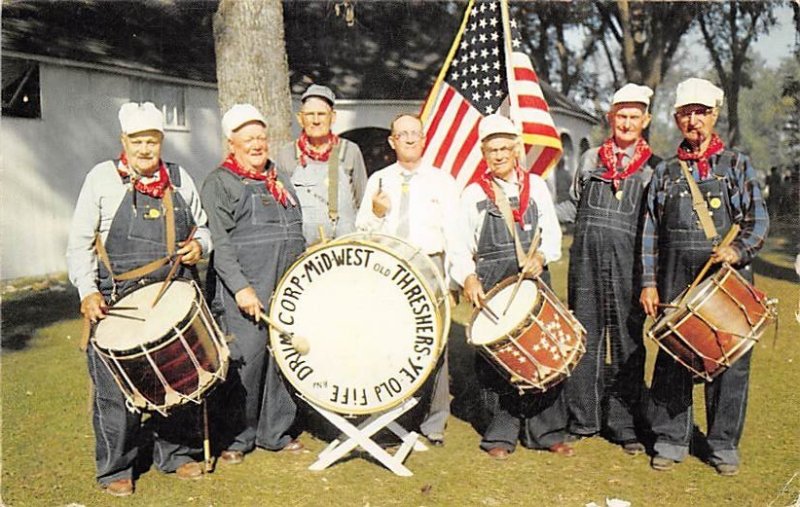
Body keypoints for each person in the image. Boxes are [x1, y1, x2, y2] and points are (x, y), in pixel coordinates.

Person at [66, 102, 212, 496]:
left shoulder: (180, 178)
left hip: (170, 290)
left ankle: (177, 454)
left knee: (178, 377)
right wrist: (88, 291)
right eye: (137, 141)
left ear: (161, 141)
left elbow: (204, 228)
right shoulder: (101, 178)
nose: (145, 149)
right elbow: (79, 244)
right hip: (119, 297)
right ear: (123, 141)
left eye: (152, 141)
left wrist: (199, 245)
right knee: (114, 392)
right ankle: (116, 467)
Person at [640, 78, 769, 476]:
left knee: (729, 358)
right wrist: (648, 281)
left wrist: (737, 250)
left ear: (714, 115)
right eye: (685, 113)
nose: (693, 120)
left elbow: (758, 221)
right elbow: (649, 232)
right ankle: (670, 438)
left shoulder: (737, 165)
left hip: (726, 280)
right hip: (676, 276)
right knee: (675, 357)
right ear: (676, 118)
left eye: (701, 112)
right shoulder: (663, 173)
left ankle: (722, 444)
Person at [448, 114, 573, 460]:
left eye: (505, 148)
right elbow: (458, 244)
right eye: (492, 150)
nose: (500, 155)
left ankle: (545, 431)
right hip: (491, 281)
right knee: (496, 361)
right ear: (483, 153)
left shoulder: (537, 187)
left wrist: (542, 258)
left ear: (517, 149)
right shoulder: (473, 194)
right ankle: (499, 433)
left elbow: (552, 235)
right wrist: (468, 277)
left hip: (532, 280)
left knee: (542, 352)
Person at [201, 104, 306, 466]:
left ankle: (275, 432)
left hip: (284, 284)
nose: (257, 145)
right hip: (244, 287)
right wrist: (241, 288)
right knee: (245, 363)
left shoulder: (280, 178)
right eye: (249, 139)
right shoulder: (220, 182)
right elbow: (221, 243)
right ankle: (236, 437)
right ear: (232, 143)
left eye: (261, 137)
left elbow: (296, 231)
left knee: (280, 358)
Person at [562, 84, 659, 455]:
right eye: (622, 116)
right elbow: (572, 205)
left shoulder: (653, 168)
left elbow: (656, 226)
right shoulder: (590, 160)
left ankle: (623, 424)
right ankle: (582, 420)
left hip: (629, 266)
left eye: (635, 117)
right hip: (585, 259)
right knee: (583, 339)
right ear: (611, 117)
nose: (628, 123)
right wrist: (533, 211)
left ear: (645, 120)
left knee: (626, 342)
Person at [355, 113, 461, 446]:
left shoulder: (442, 182)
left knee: (434, 343)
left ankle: (434, 422)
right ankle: (392, 419)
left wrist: (453, 281)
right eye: (403, 134)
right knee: (393, 342)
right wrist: (377, 211)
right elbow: (362, 230)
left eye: (415, 133)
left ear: (424, 138)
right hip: (391, 269)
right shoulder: (379, 180)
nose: (410, 139)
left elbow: (456, 234)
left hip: (429, 264)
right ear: (392, 141)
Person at [275, 84, 367, 244]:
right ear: (300, 118)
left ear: (333, 117)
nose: (316, 120)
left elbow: (363, 203)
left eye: (321, 114)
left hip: (344, 250)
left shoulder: (350, 151)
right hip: (303, 253)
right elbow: (280, 209)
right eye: (310, 114)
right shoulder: (287, 154)